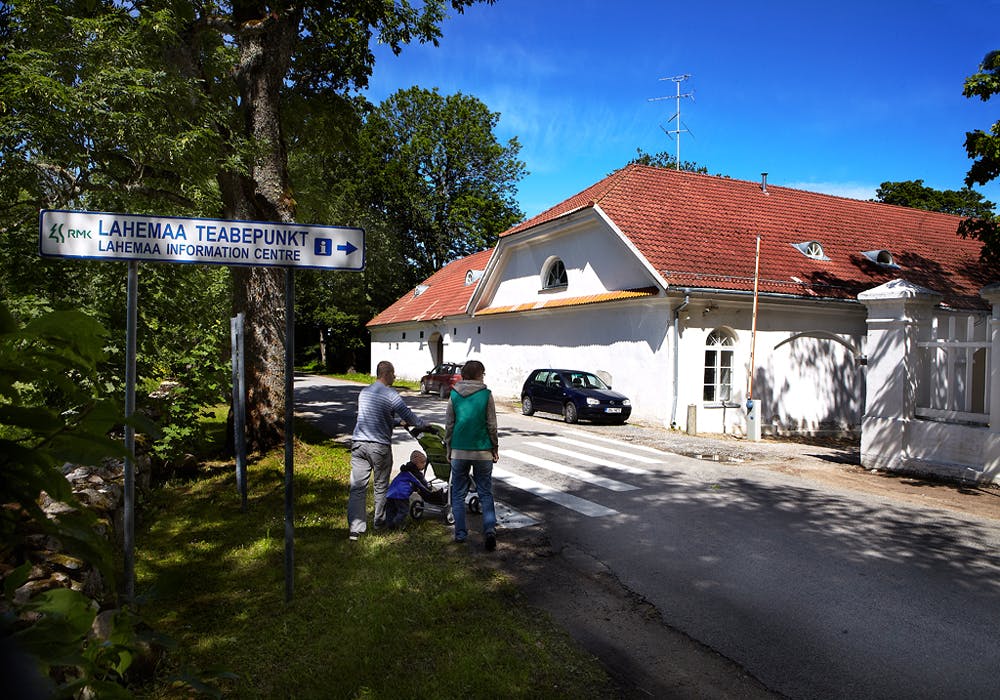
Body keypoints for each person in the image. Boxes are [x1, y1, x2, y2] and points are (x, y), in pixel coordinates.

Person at [348, 360, 428, 540]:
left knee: (357, 488)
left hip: (359, 443)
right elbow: (409, 415)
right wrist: (424, 425)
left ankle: (355, 529)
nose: (395, 376)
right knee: (381, 485)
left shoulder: (364, 392)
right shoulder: (391, 394)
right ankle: (379, 522)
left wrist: (396, 423)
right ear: (387, 374)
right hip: (379, 446)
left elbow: (372, 419)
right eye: (393, 373)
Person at [444, 360, 499, 550]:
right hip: (483, 450)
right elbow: (492, 425)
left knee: (458, 493)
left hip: (459, 450)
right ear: (478, 375)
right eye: (483, 374)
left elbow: (449, 425)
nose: (484, 377)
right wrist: (495, 448)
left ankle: (460, 533)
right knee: (485, 492)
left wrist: (449, 449)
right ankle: (490, 531)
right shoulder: (486, 395)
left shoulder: (454, 395)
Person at [384, 450, 438, 529]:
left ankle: (389, 524)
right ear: (418, 463)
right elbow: (422, 485)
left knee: (391, 509)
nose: (424, 465)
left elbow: (409, 482)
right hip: (401, 494)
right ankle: (396, 524)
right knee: (403, 510)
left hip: (391, 491)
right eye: (423, 463)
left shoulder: (406, 470)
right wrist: (430, 491)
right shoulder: (416, 474)